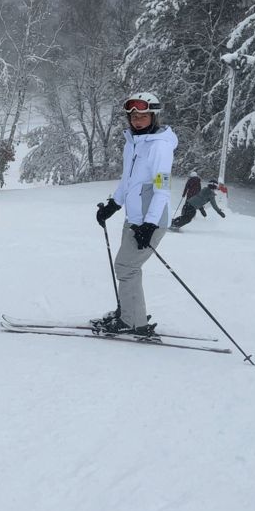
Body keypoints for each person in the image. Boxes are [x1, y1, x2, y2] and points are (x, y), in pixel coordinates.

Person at [92, 92, 178, 338]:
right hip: (134, 218)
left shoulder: (160, 146)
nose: (137, 121)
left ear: (154, 116)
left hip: (151, 220)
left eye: (143, 116)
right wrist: (113, 205)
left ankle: (132, 321)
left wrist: (149, 225)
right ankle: (129, 312)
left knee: (126, 267)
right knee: (128, 267)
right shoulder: (132, 143)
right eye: (133, 117)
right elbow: (128, 181)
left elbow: (162, 189)